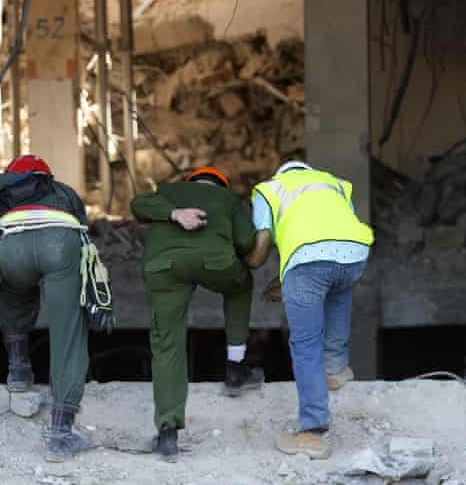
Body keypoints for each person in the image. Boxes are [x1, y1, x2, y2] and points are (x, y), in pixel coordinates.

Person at [130, 166, 271, 460]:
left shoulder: (168, 192)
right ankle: (235, 368)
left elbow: (138, 205)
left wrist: (173, 214)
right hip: (215, 263)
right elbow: (246, 244)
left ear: (190, 181)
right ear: (221, 184)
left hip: (163, 267)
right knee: (241, 285)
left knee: (167, 345)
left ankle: (168, 432)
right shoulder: (228, 199)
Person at [253, 160, 373, 460]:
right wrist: (289, 277)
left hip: (307, 263)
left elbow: (264, 240)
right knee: (337, 294)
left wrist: (250, 264)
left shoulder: (268, 190)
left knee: (305, 343)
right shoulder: (334, 182)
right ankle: (335, 368)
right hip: (354, 254)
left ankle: (313, 431)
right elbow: (330, 241)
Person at [0, 155, 94, 463]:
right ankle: (60, 435)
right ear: (47, 176)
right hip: (58, 244)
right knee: (67, 328)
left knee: (14, 291)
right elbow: (84, 231)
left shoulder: (0, 191)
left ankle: (18, 370)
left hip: (11, 247)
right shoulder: (63, 191)